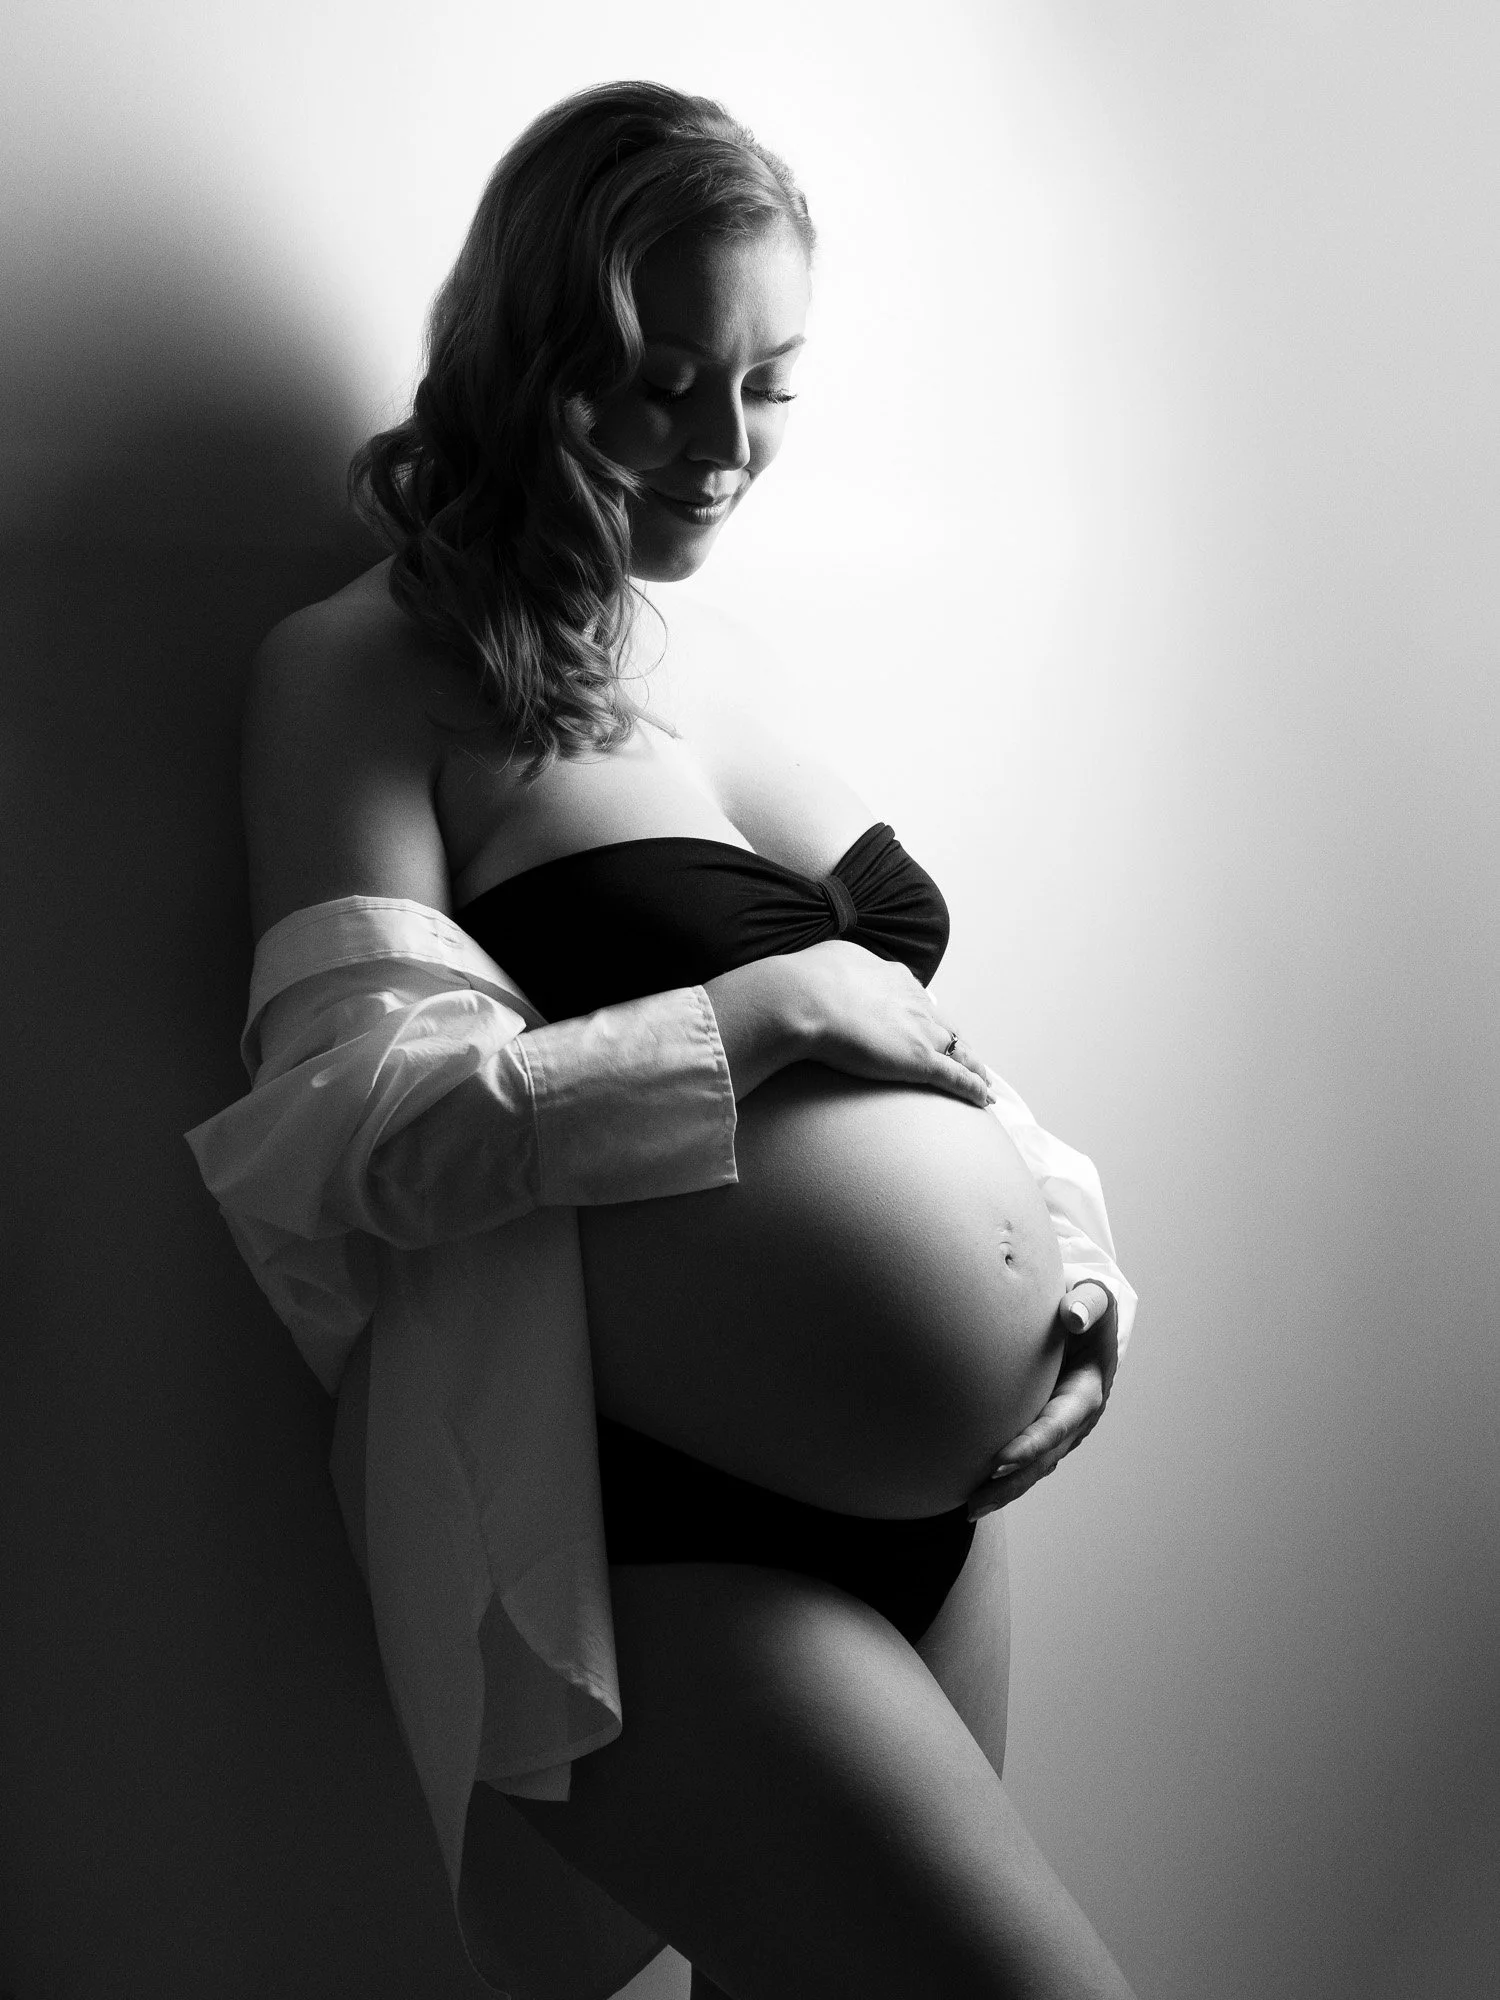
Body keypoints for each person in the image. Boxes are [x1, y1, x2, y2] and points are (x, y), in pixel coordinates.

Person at [188, 81, 1140, 1999]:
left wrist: (1086, 1273)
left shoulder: (722, 656)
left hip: (935, 1514)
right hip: (644, 1533)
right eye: (663, 380)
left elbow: (923, 1033)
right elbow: (360, 1140)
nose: (724, 447)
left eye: (770, 382)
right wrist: (752, 1012)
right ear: (529, 360)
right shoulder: (366, 672)